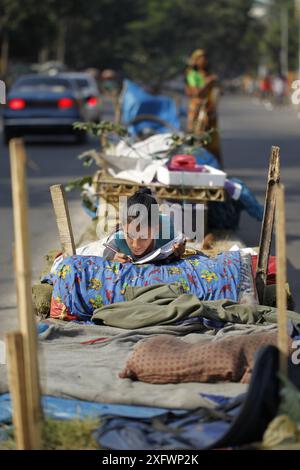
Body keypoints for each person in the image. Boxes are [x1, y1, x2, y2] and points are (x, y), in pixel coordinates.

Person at [103, 188, 186, 263]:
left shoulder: (169, 234)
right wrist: (113, 261)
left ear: (157, 228)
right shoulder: (116, 243)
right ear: (123, 227)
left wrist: (179, 252)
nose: (136, 245)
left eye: (144, 236)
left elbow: (181, 243)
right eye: (129, 235)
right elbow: (102, 266)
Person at [185, 49, 222, 166]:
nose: (203, 60)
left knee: (211, 138)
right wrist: (207, 82)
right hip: (197, 111)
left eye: (205, 58)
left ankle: (213, 164)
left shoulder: (208, 74)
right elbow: (196, 93)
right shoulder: (192, 74)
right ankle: (196, 163)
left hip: (209, 110)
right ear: (195, 61)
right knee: (197, 136)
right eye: (200, 58)